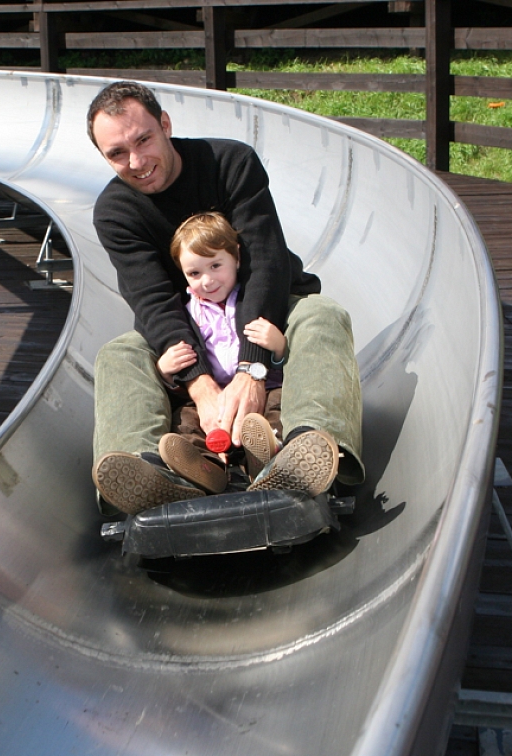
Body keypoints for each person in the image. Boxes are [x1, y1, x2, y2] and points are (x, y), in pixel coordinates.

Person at [86, 80, 364, 516]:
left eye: (143, 140)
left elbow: (264, 261)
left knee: (320, 314)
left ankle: (311, 445)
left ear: (165, 125)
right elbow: (152, 299)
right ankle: (154, 473)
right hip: (192, 323)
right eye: (117, 153)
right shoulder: (115, 212)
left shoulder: (230, 163)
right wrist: (199, 385)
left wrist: (251, 370)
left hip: (266, 310)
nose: (136, 162)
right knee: (119, 354)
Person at [155, 212, 286, 490]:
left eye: (215, 266)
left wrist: (278, 346)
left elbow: (282, 364)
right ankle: (205, 468)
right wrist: (165, 371)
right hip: (214, 400)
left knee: (278, 406)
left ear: (236, 257)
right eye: (194, 273)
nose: (207, 280)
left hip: (263, 390)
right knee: (185, 420)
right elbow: (181, 382)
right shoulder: (188, 315)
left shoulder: (251, 299)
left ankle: (267, 455)